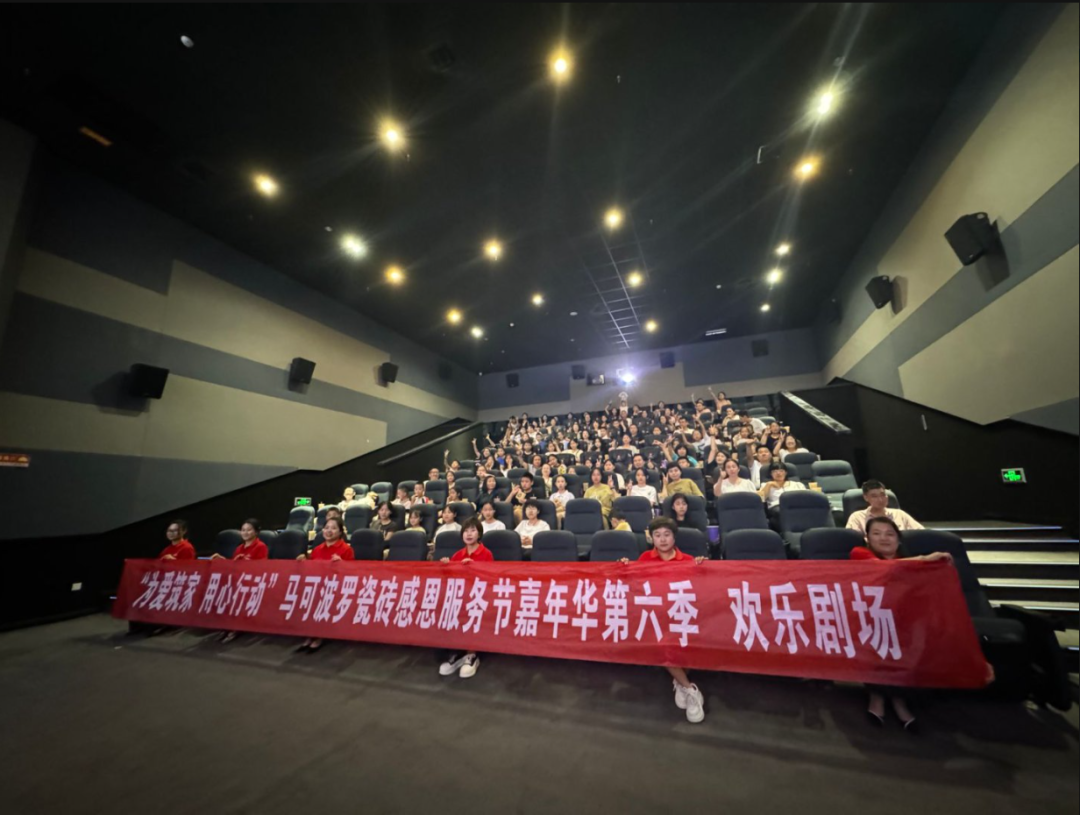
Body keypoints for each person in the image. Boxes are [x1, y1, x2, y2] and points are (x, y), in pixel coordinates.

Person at [851, 516, 954, 729]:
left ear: (898, 539)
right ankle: (879, 697)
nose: (884, 538)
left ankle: (898, 699)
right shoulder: (859, 552)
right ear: (867, 538)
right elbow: (882, 569)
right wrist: (925, 560)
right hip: (870, 618)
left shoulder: (911, 561)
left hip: (905, 621)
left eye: (890, 534)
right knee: (881, 638)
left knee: (909, 638)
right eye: (877, 533)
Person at [617, 517, 707, 723]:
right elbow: (635, 584)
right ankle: (689, 688)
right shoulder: (645, 558)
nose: (663, 539)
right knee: (664, 644)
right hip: (657, 616)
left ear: (674, 537)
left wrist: (703, 568)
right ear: (652, 539)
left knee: (682, 644)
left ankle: (678, 680)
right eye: (657, 535)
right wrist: (624, 567)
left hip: (682, 615)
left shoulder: (689, 560)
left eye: (667, 534)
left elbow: (702, 589)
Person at [438, 518, 492, 679]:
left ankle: (471, 654)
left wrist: (474, 567)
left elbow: (490, 578)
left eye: (473, 530)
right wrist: (447, 567)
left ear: (479, 534)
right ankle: (458, 651)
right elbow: (450, 581)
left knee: (471, 611)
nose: (469, 534)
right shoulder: (457, 554)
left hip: (478, 596)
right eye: (466, 531)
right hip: (461, 596)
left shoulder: (486, 553)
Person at [295, 516, 354, 652]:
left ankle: (319, 636)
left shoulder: (346, 549)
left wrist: (342, 564)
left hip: (335, 588)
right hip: (318, 586)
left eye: (333, 528)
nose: (329, 531)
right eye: (326, 528)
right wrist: (303, 560)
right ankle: (310, 634)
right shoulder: (317, 549)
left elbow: (352, 573)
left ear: (340, 532)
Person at [846, 480, 924, 536]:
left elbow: (921, 533)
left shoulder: (899, 514)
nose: (880, 500)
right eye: (874, 496)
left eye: (883, 495)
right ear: (866, 498)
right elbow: (851, 539)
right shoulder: (857, 517)